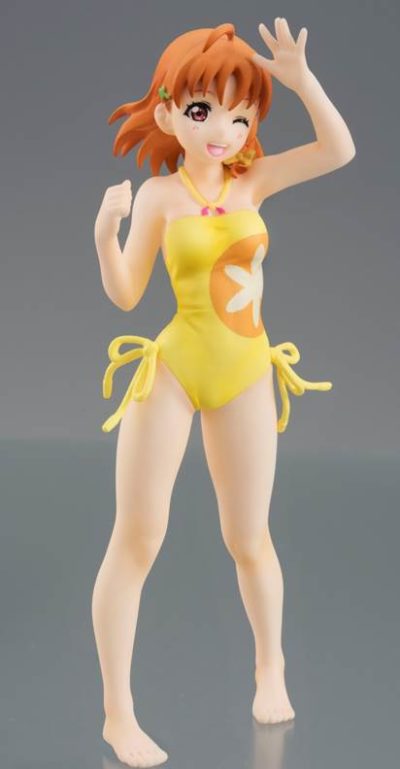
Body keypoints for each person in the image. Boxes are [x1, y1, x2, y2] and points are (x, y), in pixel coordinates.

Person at [92, 19, 355, 767]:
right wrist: (105, 234)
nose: (223, 131)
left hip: (245, 370)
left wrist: (303, 82)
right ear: (169, 110)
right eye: (204, 111)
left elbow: (339, 150)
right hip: (173, 371)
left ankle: (270, 666)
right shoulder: (158, 197)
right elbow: (126, 293)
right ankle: (117, 714)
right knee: (136, 538)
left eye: (241, 117)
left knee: (250, 537)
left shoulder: (254, 181)